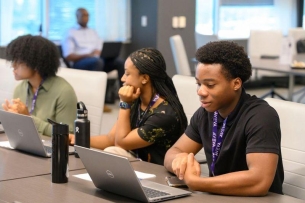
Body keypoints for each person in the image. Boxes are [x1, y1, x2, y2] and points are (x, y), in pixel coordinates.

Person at [164, 41, 284, 196]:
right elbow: (173, 152)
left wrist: (197, 183)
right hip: (218, 196)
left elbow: (259, 181)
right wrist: (179, 159)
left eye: (210, 85)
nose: (200, 91)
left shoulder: (261, 116)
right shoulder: (205, 113)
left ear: (236, 83)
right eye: (198, 83)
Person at [69, 47, 188, 165]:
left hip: (158, 174)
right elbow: (111, 139)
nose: (122, 78)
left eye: (127, 74)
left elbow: (121, 143)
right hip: (139, 164)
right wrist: (77, 139)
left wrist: (124, 104)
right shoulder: (136, 100)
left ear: (145, 78)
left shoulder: (164, 114)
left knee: (112, 152)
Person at [2, 34, 77, 136]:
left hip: (52, 149)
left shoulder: (64, 91)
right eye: (13, 60)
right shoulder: (20, 89)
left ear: (36, 63)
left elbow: (68, 135)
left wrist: (28, 119)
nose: (13, 66)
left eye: (19, 61)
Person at [61, 7, 125, 112]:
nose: (86, 18)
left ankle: (125, 99)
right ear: (77, 17)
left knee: (119, 62)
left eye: (87, 15)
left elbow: (99, 48)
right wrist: (87, 55)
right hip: (79, 63)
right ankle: (100, 102)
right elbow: (68, 55)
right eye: (83, 15)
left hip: (97, 60)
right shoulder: (70, 32)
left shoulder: (93, 32)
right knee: (97, 62)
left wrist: (101, 52)